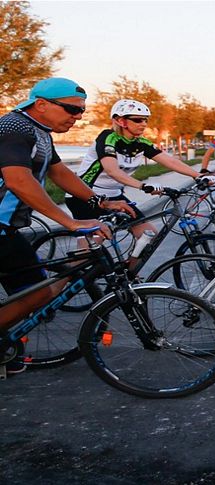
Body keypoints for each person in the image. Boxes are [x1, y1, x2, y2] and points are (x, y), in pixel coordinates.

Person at [0, 78, 135, 374]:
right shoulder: (14, 128)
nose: (77, 117)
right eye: (72, 110)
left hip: (6, 230)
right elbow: (18, 180)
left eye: (81, 112)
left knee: (36, 293)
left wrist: (101, 201)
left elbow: (60, 173)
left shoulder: (40, 132)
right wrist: (70, 222)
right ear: (41, 105)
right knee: (36, 292)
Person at [65, 99, 215, 270]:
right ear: (120, 121)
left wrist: (198, 175)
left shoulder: (140, 143)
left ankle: (128, 276)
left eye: (145, 120)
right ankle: (58, 286)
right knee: (89, 250)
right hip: (85, 195)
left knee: (148, 234)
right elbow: (113, 171)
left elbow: (169, 161)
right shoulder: (108, 138)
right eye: (137, 120)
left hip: (114, 196)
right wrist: (143, 186)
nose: (143, 124)